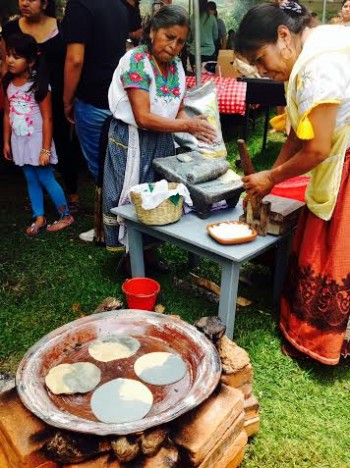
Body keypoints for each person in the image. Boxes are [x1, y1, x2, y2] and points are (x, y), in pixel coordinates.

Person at [235, 1, 350, 365]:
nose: (261, 70)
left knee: (332, 246)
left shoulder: (317, 66)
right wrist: (270, 180)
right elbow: (299, 137)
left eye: (259, 58)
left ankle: (321, 340)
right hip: (336, 151)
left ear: (283, 36)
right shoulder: (308, 52)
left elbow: (315, 148)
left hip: (342, 161)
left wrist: (272, 176)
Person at [103, 5, 216, 251]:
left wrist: (198, 132)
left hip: (162, 141)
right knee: (132, 194)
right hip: (132, 140)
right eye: (169, 37)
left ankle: (148, 251)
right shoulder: (136, 61)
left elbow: (178, 111)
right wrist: (187, 124)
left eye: (181, 41)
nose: (174, 46)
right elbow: (143, 117)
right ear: (153, 31)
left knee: (158, 195)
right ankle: (128, 255)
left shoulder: (176, 67)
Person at [1, 0, 80, 214]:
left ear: (45, 3)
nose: (24, 2)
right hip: (23, 98)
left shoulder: (62, 29)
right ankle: (39, 198)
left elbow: (71, 62)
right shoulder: (10, 29)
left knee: (62, 143)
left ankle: (72, 195)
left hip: (55, 96)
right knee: (26, 142)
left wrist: (69, 98)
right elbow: (4, 63)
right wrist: (6, 94)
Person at [62, 0, 130, 242]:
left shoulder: (80, 4)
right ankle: (120, 225)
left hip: (92, 97)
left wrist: (67, 99)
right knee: (119, 164)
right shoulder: (120, 6)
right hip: (118, 97)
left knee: (100, 168)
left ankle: (107, 230)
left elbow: (75, 59)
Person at [188, 0, 218, 71]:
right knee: (209, 77)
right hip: (209, 52)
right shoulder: (212, 18)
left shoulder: (192, 18)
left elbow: (189, 37)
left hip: (194, 52)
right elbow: (215, 36)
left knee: (195, 77)